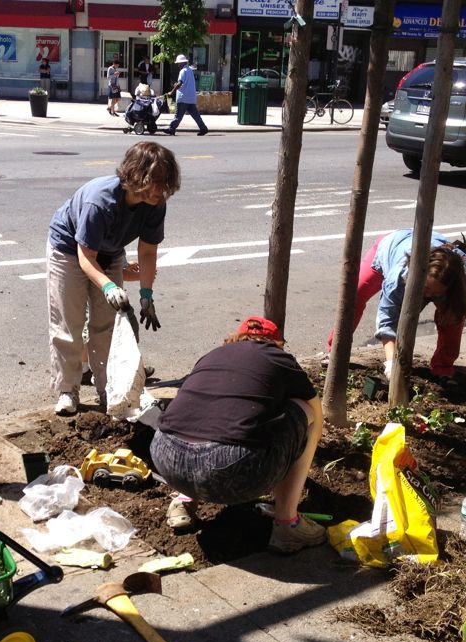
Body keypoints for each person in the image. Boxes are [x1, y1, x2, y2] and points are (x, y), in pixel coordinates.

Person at [150, 316, 325, 554]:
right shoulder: (278, 358)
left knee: (207, 413)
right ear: (276, 343)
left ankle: (183, 501)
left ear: (235, 338)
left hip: (165, 456)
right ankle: (288, 524)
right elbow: (316, 409)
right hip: (229, 467)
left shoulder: (212, 356)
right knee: (305, 410)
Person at [46, 141, 181, 416]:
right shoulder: (101, 201)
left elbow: (147, 250)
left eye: (166, 183)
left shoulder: (155, 204)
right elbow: (85, 257)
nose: (162, 190)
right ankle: (67, 390)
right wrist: (108, 285)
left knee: (106, 326)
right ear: (136, 175)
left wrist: (146, 296)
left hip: (109, 250)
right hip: (69, 248)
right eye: (157, 182)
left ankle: (107, 389)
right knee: (68, 322)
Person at [326, 228, 466, 381]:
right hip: (392, 246)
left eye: (435, 293)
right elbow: (388, 322)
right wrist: (391, 363)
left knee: (452, 316)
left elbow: (456, 311)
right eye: (425, 289)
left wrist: (442, 302)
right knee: (355, 296)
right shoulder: (398, 279)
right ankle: (336, 353)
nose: (428, 296)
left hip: (440, 258)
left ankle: (443, 368)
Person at [164, 54, 207, 136]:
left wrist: (171, 92)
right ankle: (203, 128)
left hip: (183, 97)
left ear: (182, 63)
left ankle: (171, 129)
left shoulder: (183, 71)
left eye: (179, 63)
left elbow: (180, 83)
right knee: (196, 115)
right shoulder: (190, 70)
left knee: (178, 115)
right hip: (191, 97)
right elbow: (185, 83)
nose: (178, 65)